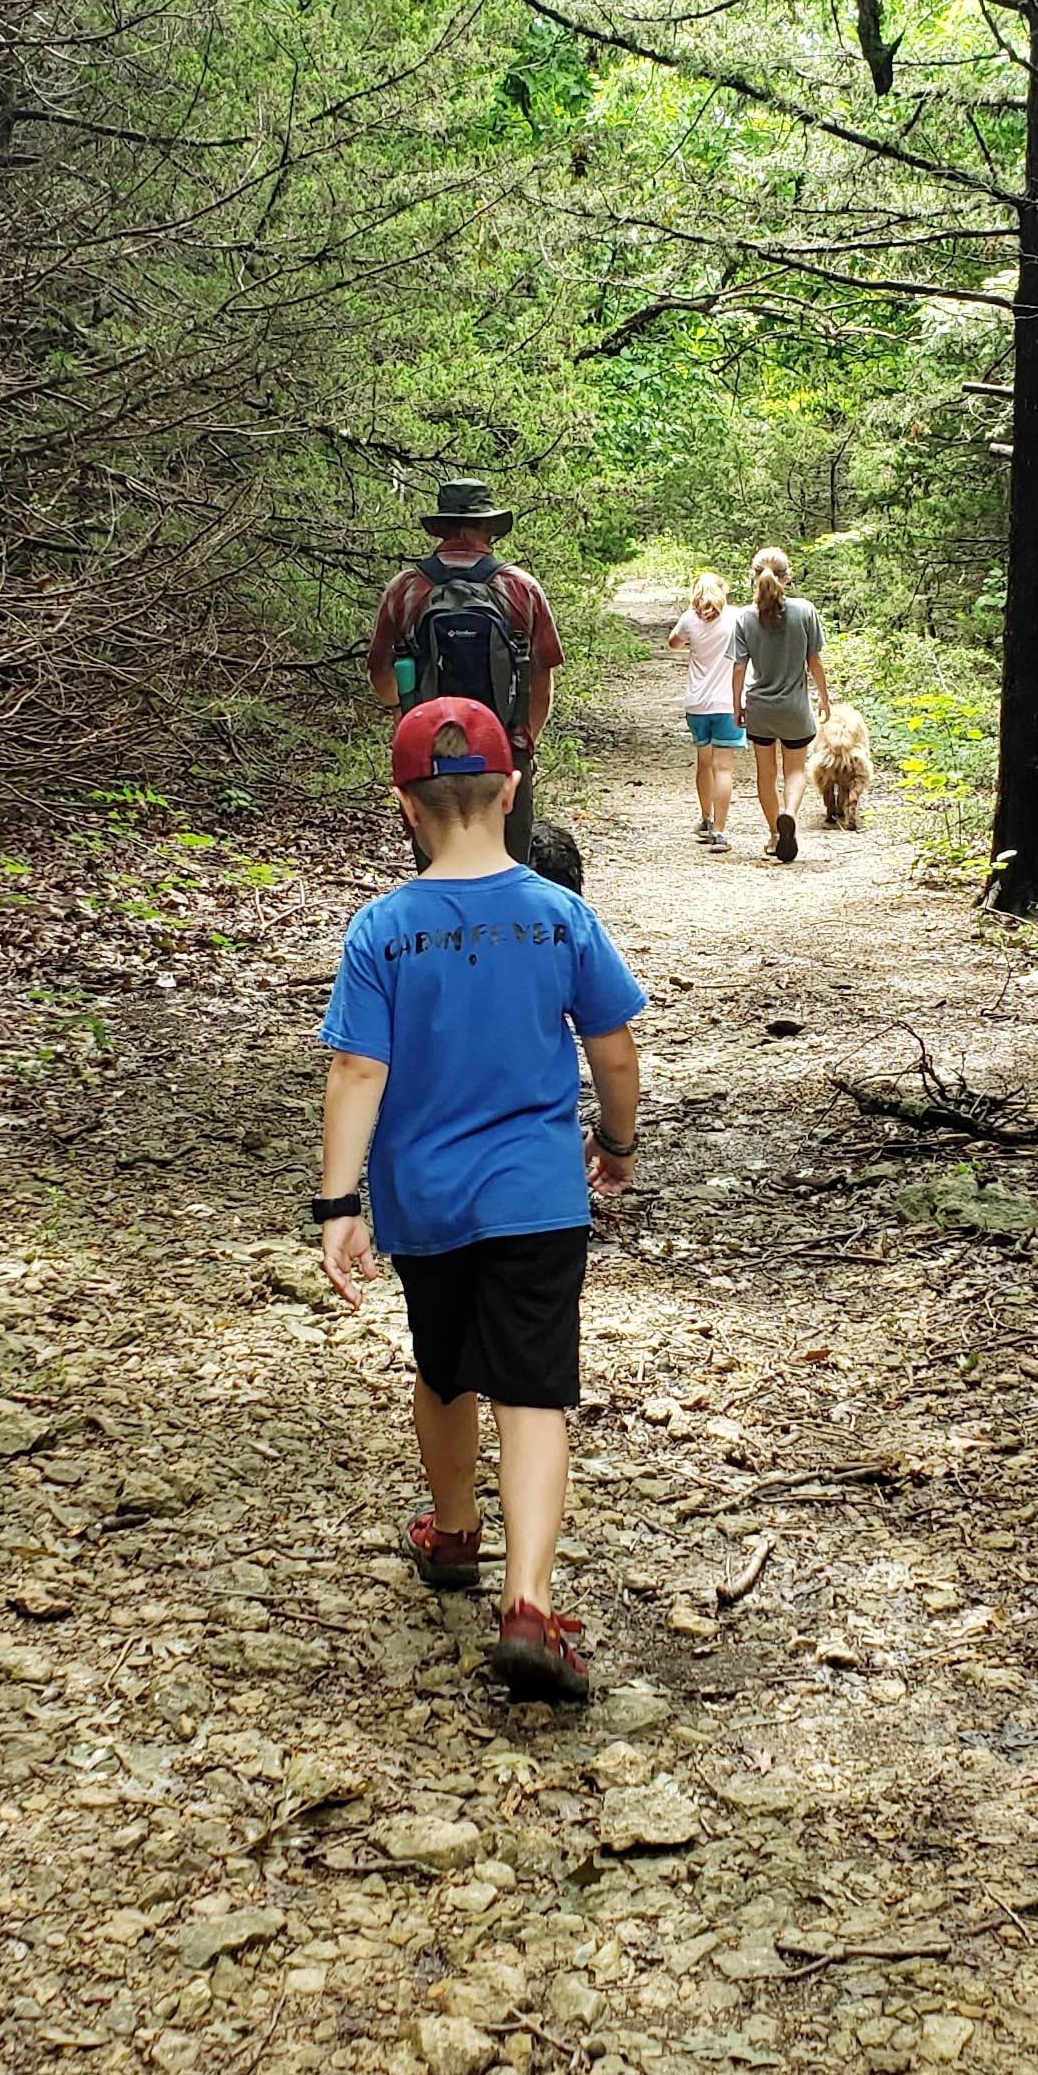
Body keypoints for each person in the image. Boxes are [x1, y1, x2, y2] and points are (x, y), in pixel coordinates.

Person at [315, 696, 645, 1702]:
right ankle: (530, 1602)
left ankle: (453, 1532)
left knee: (446, 1366)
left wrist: (338, 1207)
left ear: (405, 807)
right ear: (508, 792)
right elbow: (616, 1049)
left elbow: (356, 1075)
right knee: (533, 1387)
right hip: (537, 1197)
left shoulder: (382, 929)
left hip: (428, 1202)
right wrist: (615, 1141)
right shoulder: (559, 915)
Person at [367, 478, 563, 868]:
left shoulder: (405, 588)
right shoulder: (520, 586)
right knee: (509, 868)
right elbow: (542, 675)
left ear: (440, 528)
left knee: (436, 869)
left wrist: (404, 719)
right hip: (505, 748)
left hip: (429, 752)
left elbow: (378, 669)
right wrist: (524, 740)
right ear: (488, 527)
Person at [730, 546, 831, 864]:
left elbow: (738, 668)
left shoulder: (745, 617)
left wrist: (737, 706)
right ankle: (789, 813)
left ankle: (775, 834)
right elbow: (814, 661)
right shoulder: (805, 611)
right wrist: (825, 699)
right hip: (795, 708)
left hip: (761, 708)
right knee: (795, 770)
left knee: (766, 773)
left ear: (753, 577)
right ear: (787, 577)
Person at [667, 570, 745, 854]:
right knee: (723, 767)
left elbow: (673, 642)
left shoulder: (689, 619)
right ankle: (721, 832)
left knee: (704, 763)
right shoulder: (736, 617)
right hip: (728, 703)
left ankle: (706, 819)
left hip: (697, 704)